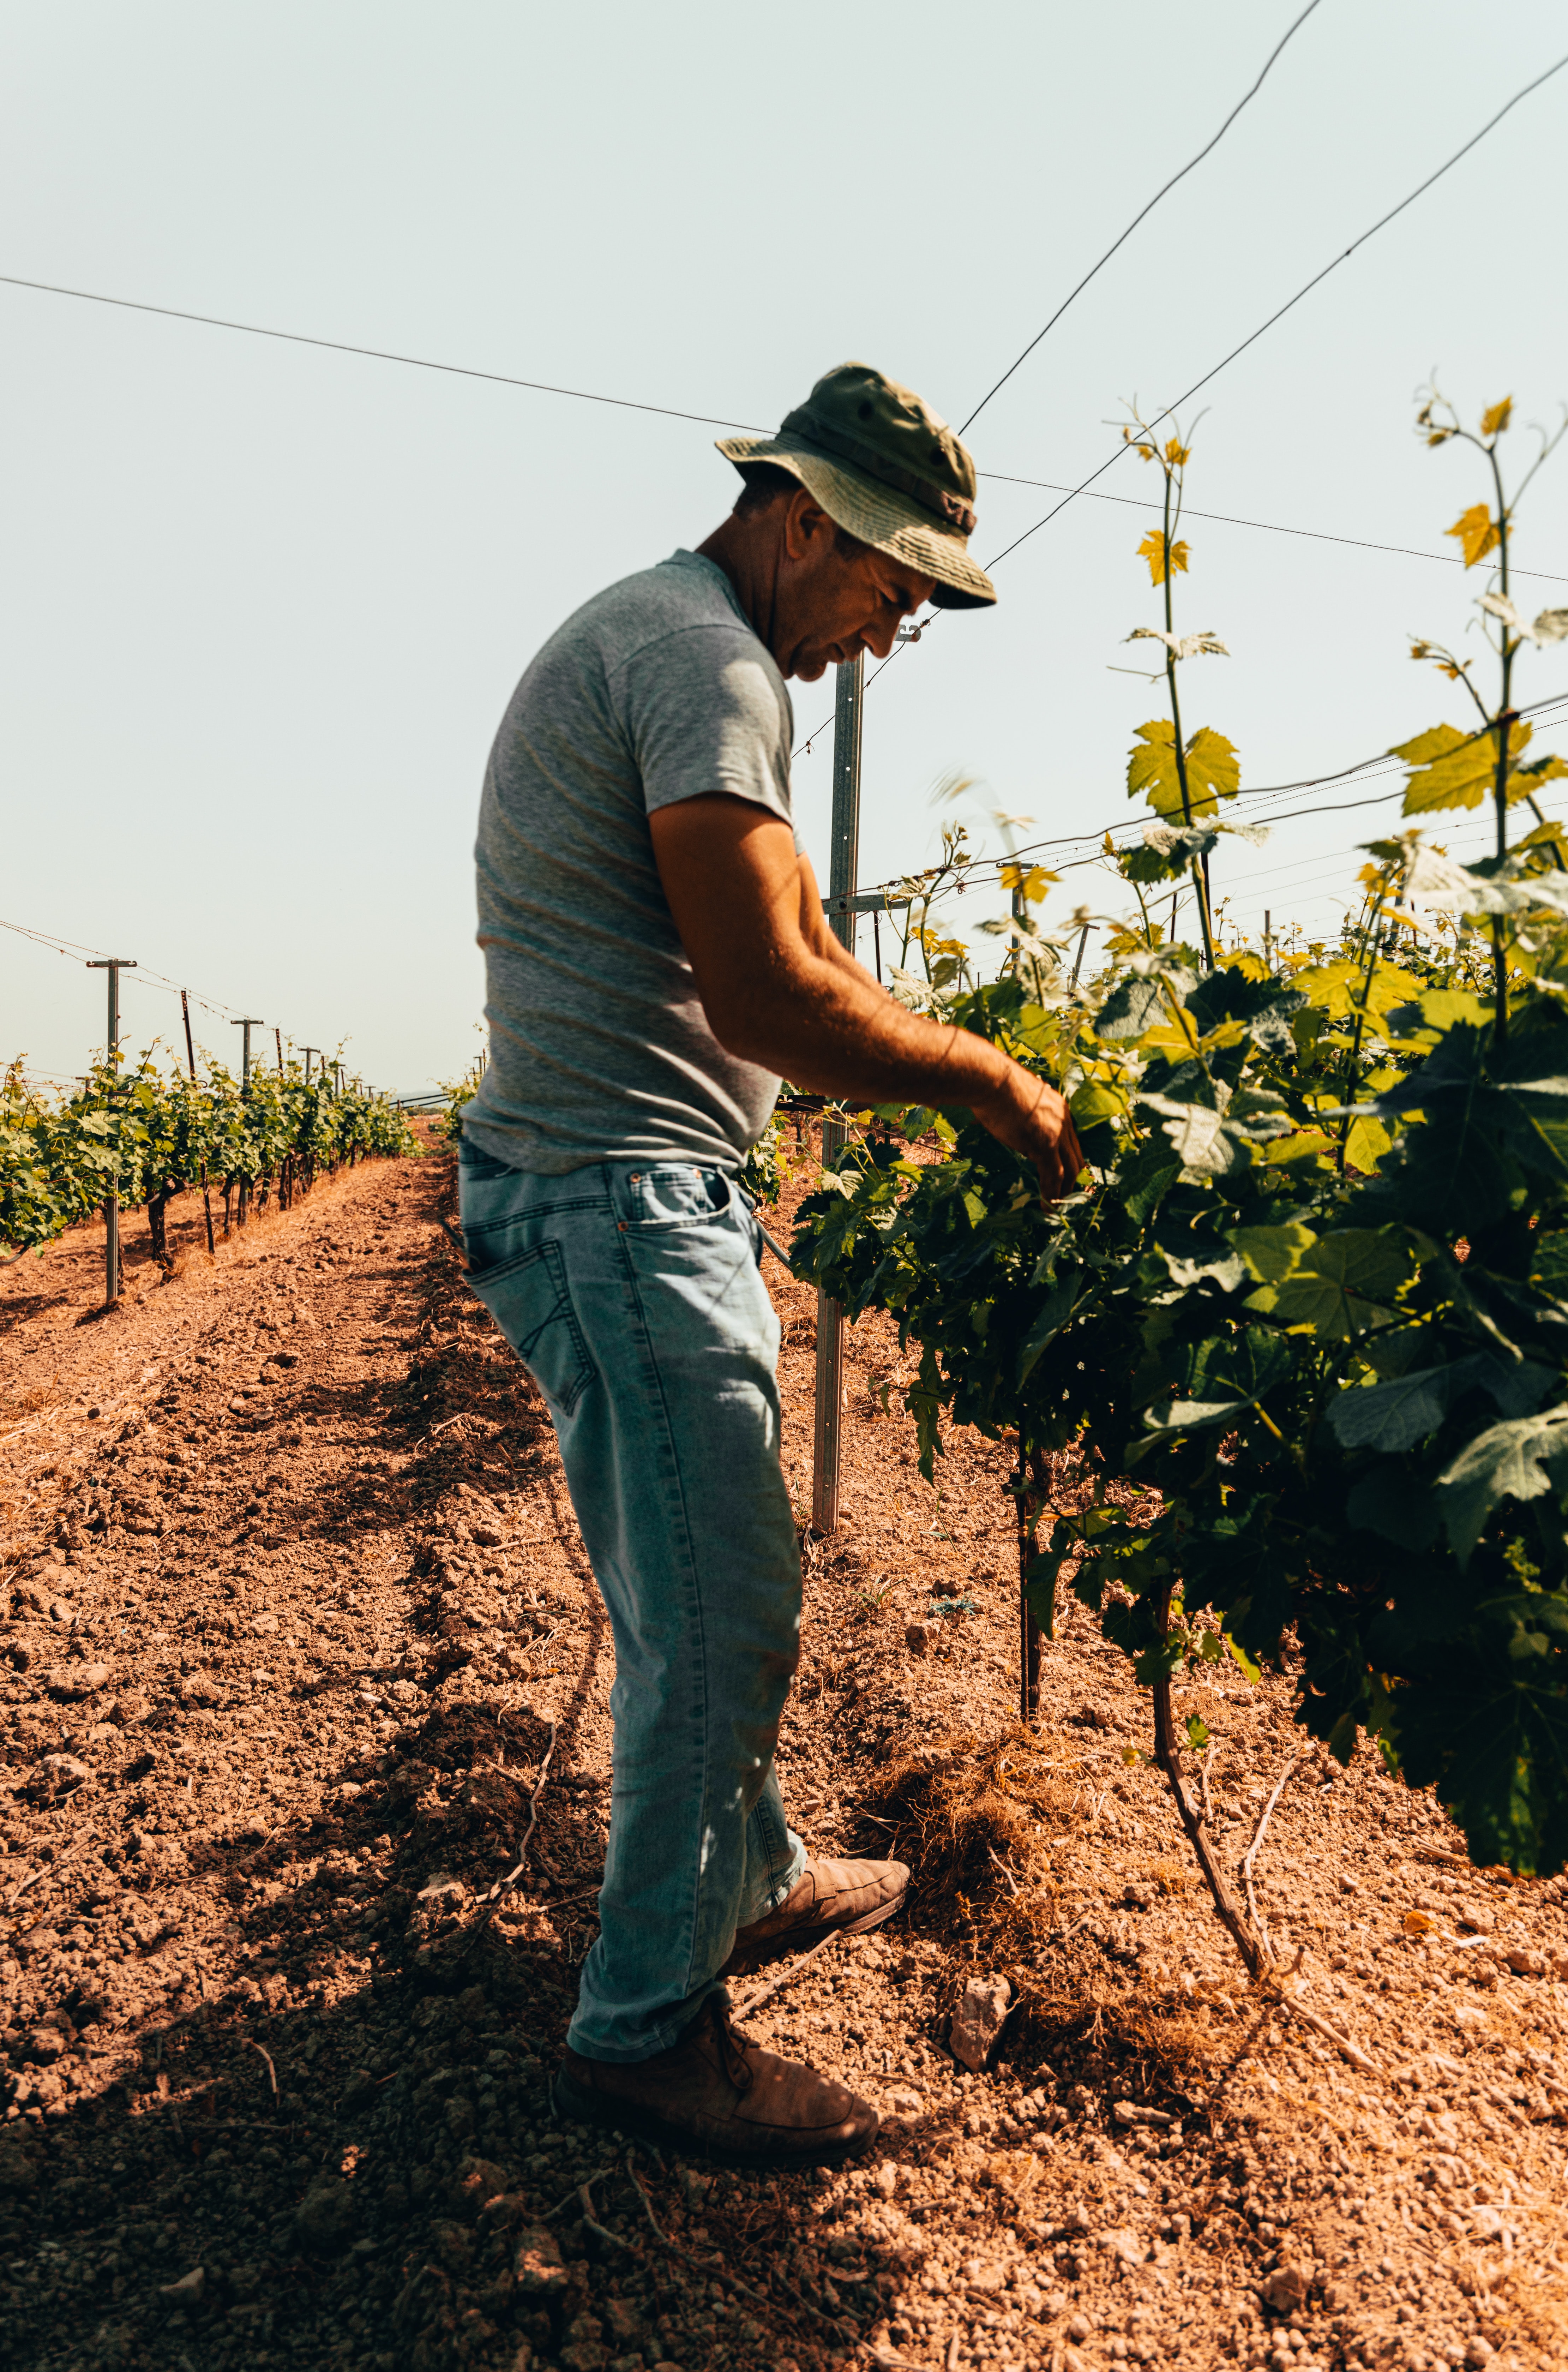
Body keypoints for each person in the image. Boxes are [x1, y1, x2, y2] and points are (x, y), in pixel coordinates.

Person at [459, 361, 1082, 2167]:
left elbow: (795, 929)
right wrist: (976, 1078)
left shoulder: (697, 649)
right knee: (721, 1617)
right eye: (890, 585)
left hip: (626, 1186)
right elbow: (758, 991)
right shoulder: (705, 659)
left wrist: (926, 1042)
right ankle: (646, 2028)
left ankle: (752, 1874)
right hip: (612, 1198)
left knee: (706, 1590)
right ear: (802, 518)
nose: (888, 632)